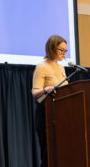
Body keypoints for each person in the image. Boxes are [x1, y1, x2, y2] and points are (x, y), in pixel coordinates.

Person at [32, 35, 68, 167]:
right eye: (61, 50)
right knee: (48, 156)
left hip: (61, 115)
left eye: (65, 50)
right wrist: (46, 89)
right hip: (46, 115)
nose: (64, 53)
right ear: (52, 49)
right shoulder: (42, 67)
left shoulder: (61, 68)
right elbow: (35, 92)